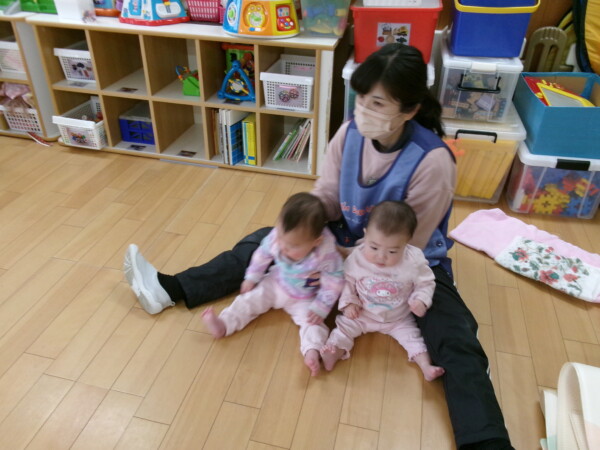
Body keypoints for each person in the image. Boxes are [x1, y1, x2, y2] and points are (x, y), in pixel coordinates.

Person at [123, 44, 513, 449]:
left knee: (454, 335)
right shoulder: (350, 133)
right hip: (341, 241)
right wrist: (300, 227)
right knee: (263, 243)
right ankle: (169, 289)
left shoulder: (432, 161)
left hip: (404, 264)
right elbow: (327, 194)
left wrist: (337, 263)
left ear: (409, 110)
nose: (364, 110)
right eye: (362, 98)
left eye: (377, 103)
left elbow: (406, 244)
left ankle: (486, 440)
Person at [199, 192, 344, 376]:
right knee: (249, 299)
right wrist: (252, 277)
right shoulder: (278, 237)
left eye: (293, 246)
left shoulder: (326, 254)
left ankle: (312, 351)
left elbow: (334, 280)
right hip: (276, 283)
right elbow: (262, 255)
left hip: (305, 297)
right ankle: (224, 324)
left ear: (316, 242)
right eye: (281, 239)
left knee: (314, 323)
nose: (283, 247)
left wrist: (321, 306)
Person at [320, 200, 445, 382]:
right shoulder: (357, 258)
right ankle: (333, 352)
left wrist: (421, 300)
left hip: (398, 318)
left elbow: (426, 282)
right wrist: (349, 303)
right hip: (362, 314)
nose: (381, 256)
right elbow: (347, 280)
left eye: (392, 251)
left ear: (406, 243)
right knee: (343, 328)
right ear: (366, 234)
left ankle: (426, 366)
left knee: (414, 338)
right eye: (374, 247)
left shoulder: (414, 261)